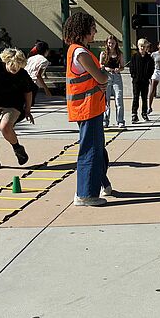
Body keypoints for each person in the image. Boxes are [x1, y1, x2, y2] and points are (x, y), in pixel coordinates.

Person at [62, 11, 111, 206]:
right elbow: (101, 78)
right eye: (92, 29)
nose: (95, 32)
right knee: (91, 150)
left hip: (91, 107)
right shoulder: (80, 52)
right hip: (87, 108)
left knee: (98, 149)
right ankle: (85, 194)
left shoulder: (78, 50)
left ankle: (102, 183)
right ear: (82, 31)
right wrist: (103, 76)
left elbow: (97, 78)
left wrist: (100, 78)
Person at [100, 35, 126, 129]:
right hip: (106, 76)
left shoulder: (119, 54)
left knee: (118, 99)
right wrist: (104, 67)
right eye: (109, 43)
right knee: (106, 100)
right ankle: (105, 120)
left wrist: (119, 69)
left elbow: (122, 66)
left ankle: (120, 120)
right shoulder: (103, 53)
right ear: (107, 43)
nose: (111, 45)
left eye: (113, 43)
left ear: (116, 44)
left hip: (116, 77)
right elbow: (101, 65)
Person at [129, 38, 154, 123]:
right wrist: (134, 76)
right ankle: (134, 114)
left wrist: (148, 76)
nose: (142, 48)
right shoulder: (134, 57)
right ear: (138, 46)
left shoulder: (149, 58)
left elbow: (151, 68)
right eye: (141, 46)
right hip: (136, 81)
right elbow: (131, 67)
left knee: (144, 98)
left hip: (145, 81)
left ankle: (144, 113)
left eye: (144, 46)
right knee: (136, 97)